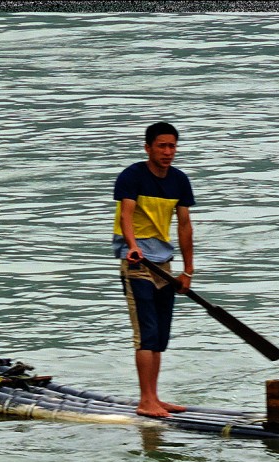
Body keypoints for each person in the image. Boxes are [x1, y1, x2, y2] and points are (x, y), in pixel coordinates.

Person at [112, 122, 196, 418]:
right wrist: (132, 245)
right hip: (136, 262)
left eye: (172, 146)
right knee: (146, 333)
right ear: (148, 148)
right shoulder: (132, 175)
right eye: (161, 146)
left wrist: (187, 271)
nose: (168, 152)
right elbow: (126, 214)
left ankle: (155, 397)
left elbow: (185, 226)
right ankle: (146, 400)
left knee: (160, 334)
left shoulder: (179, 181)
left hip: (163, 263)